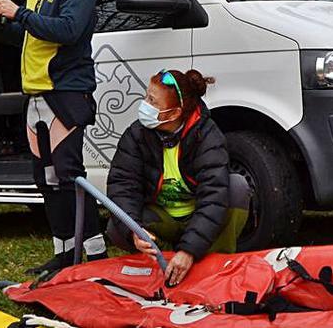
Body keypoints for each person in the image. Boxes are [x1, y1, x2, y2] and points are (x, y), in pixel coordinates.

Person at [0, 0, 106, 274]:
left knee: (69, 174)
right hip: (34, 94)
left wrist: (17, 11)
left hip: (65, 92)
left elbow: (69, 30)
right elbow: (29, 35)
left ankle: (95, 255)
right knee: (46, 179)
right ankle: (64, 253)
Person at [106, 69, 250, 286]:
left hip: (196, 216)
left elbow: (213, 197)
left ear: (173, 114)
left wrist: (189, 250)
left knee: (236, 187)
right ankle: (165, 261)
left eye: (152, 101)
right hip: (164, 218)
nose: (144, 105)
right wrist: (134, 231)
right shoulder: (135, 135)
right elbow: (122, 185)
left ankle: (212, 264)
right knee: (117, 225)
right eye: (147, 96)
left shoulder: (208, 136)